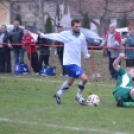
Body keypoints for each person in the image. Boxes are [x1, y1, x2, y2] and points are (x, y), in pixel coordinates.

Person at [38, 19, 91, 106]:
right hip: (69, 63)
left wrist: (86, 55)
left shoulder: (82, 36)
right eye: (76, 26)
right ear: (72, 26)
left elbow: (84, 46)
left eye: (79, 26)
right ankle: (79, 96)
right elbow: (54, 35)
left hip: (77, 63)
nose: (78, 28)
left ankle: (59, 94)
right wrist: (43, 35)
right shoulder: (66, 34)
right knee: (85, 79)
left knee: (69, 82)